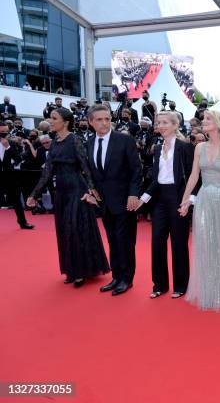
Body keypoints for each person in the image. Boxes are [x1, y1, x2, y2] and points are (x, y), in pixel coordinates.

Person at [27, 108, 109, 286]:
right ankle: (72, 269)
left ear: (66, 122)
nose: (50, 121)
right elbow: (47, 171)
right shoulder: (55, 142)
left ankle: (81, 271)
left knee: (76, 230)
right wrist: (34, 194)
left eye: (54, 118)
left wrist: (92, 190)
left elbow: (85, 167)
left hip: (77, 190)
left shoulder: (75, 140)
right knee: (64, 231)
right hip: (61, 193)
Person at [180, 110, 220, 310]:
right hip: (204, 199)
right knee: (206, 243)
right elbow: (194, 175)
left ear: (219, 122)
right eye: (203, 119)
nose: (203, 121)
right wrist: (185, 199)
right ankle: (210, 290)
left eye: (207, 118)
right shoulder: (199, 147)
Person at [86, 105, 142, 296]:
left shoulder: (124, 140)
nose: (104, 123)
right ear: (91, 122)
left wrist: (133, 194)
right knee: (112, 241)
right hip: (104, 203)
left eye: (107, 119)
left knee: (125, 242)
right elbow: (91, 171)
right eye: (99, 119)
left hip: (126, 201)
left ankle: (127, 279)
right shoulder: (90, 142)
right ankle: (116, 277)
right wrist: (91, 189)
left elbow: (136, 170)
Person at [136, 111, 193, 299]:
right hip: (159, 199)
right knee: (157, 242)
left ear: (175, 125)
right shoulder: (158, 148)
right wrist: (143, 198)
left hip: (178, 198)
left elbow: (194, 177)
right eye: (158, 122)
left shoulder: (185, 147)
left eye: (165, 122)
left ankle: (181, 285)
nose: (160, 126)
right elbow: (156, 178)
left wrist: (189, 200)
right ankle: (159, 284)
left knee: (178, 243)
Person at [0, 121, 34, 229]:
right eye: (1, 131)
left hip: (9, 176)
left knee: (16, 200)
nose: (4, 133)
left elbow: (18, 159)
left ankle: (23, 222)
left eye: (6, 131)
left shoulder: (12, 143)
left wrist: (7, 148)